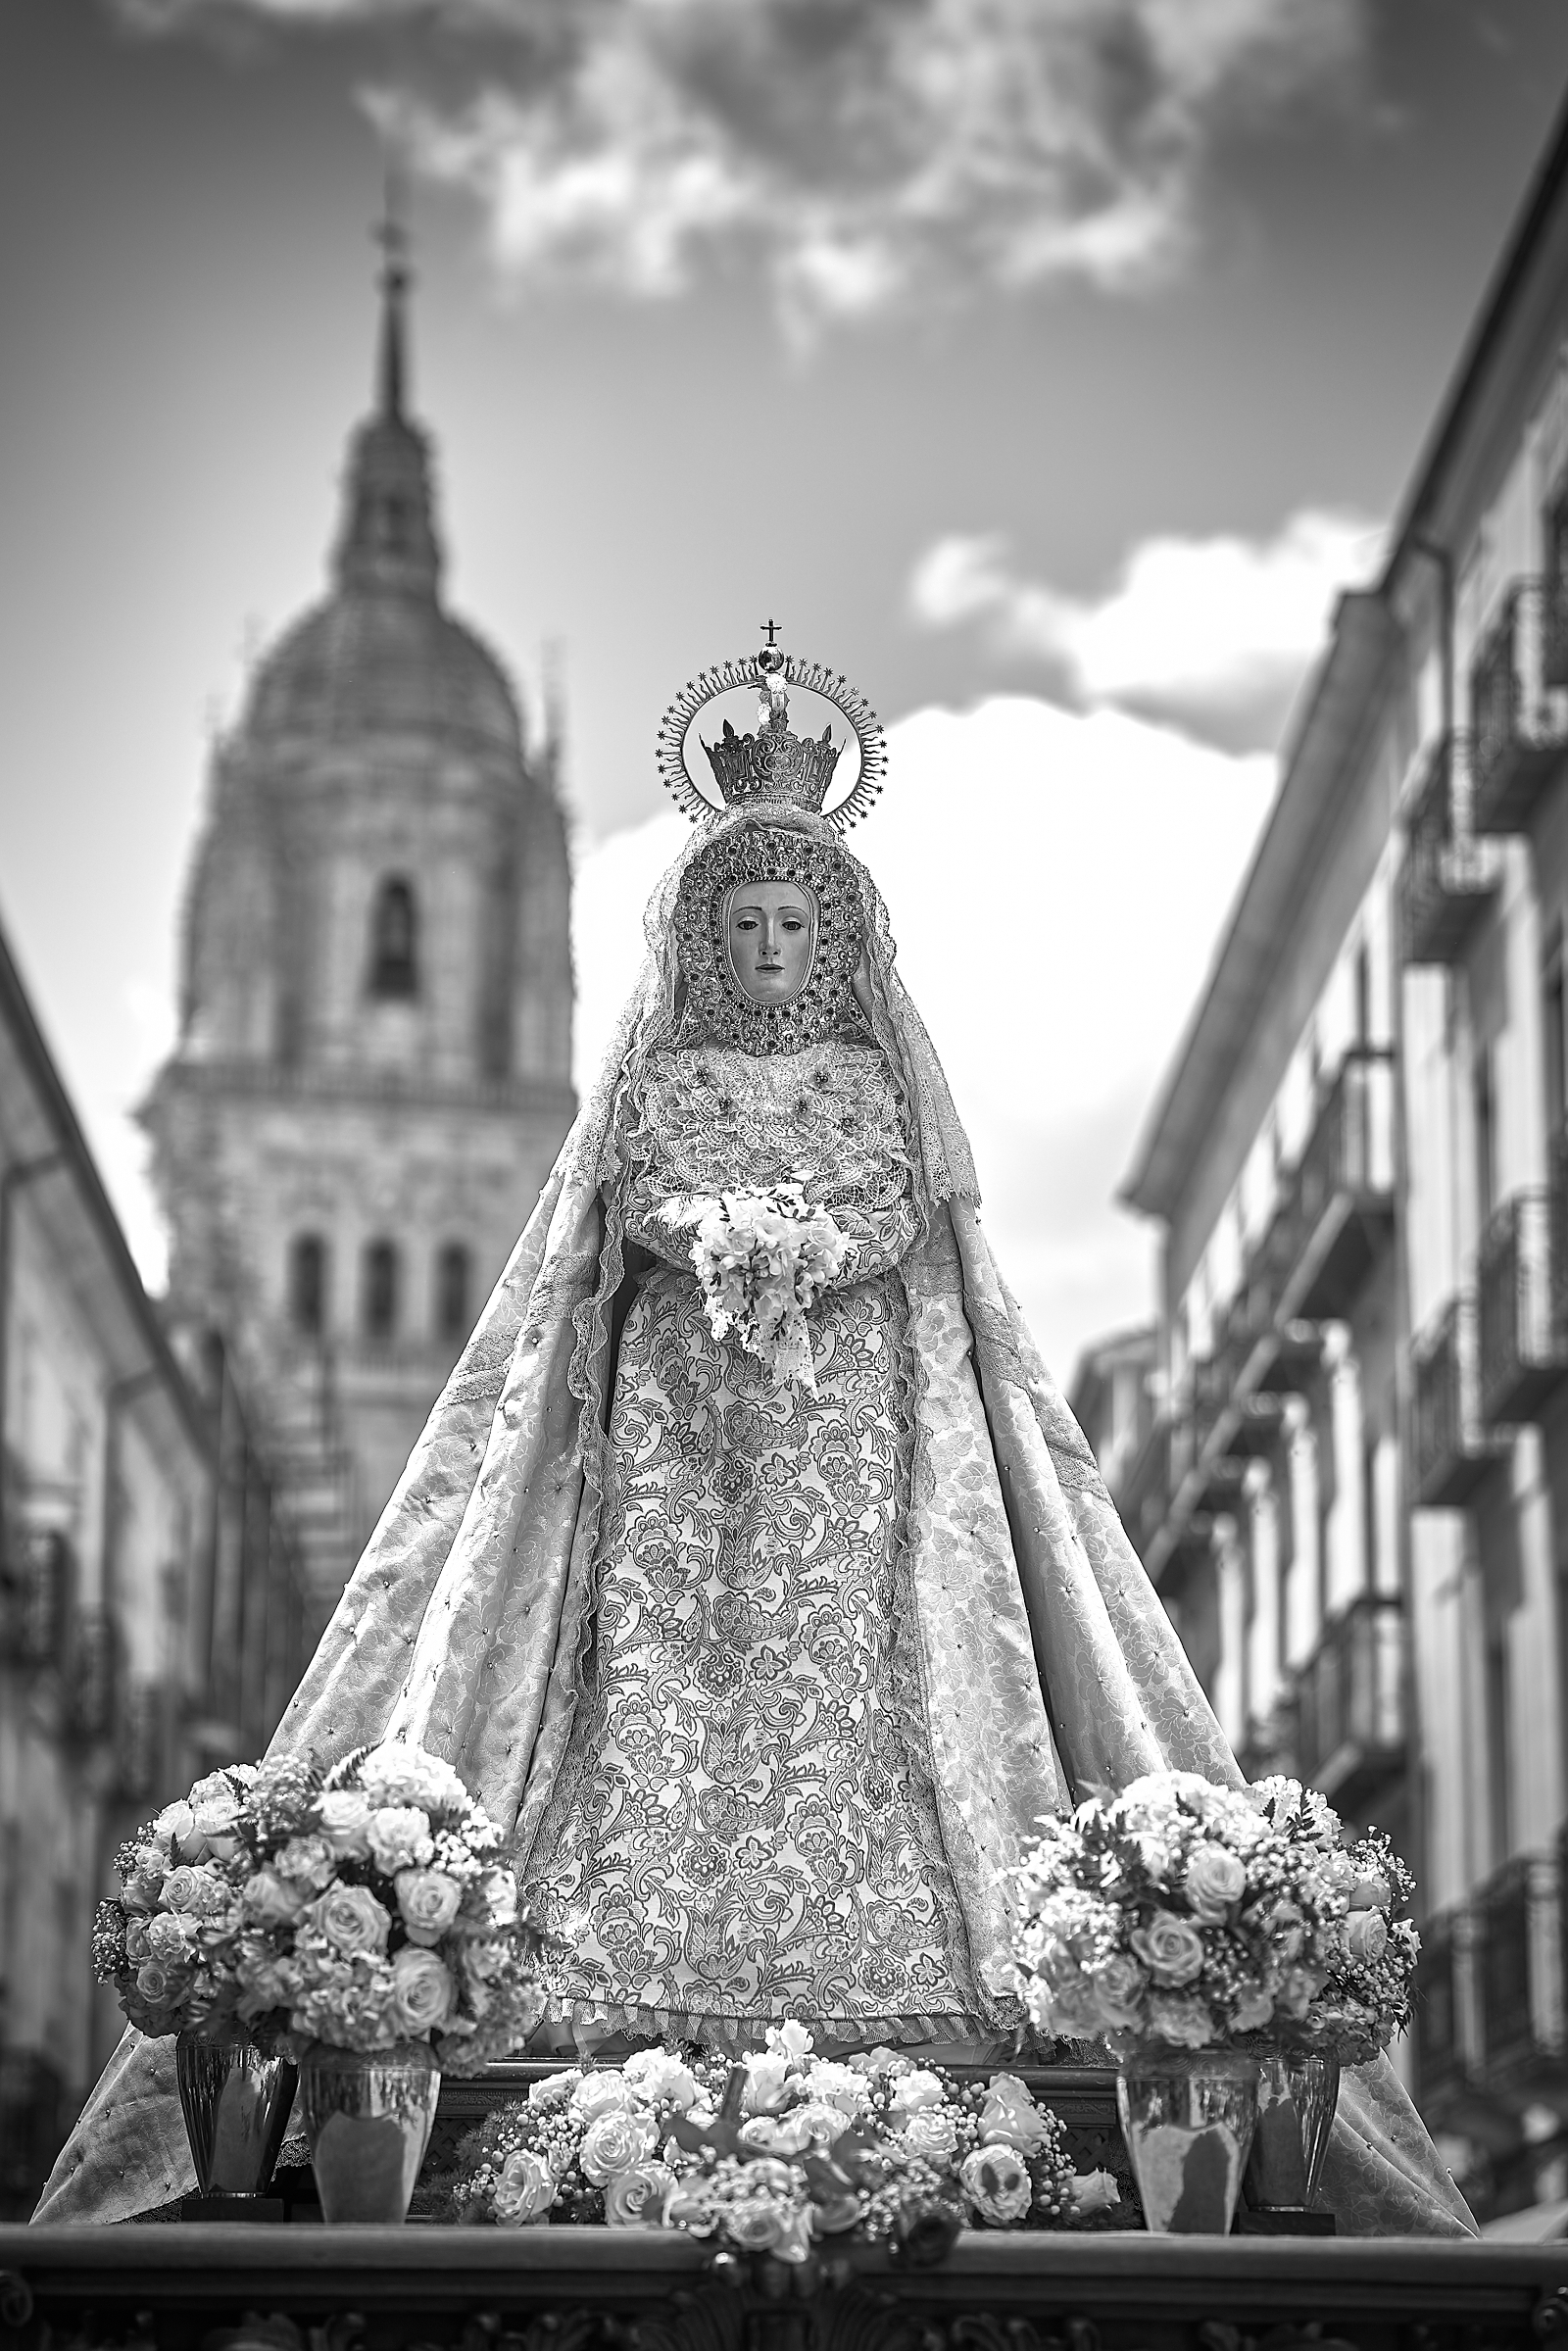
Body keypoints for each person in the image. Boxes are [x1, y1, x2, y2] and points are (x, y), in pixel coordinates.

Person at [36, 648, 1473, 2235]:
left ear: (840, 936)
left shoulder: (873, 1079)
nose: (775, 946)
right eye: (746, 922)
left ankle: (893, 1952)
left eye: (800, 922)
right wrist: (707, 1229)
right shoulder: (660, 1075)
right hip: (671, 1418)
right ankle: (611, 1944)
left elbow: (908, 1201)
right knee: (654, 1648)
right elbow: (624, 1192)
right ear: (704, 936)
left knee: (854, 1655)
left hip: (850, 1417)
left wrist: (810, 1247)